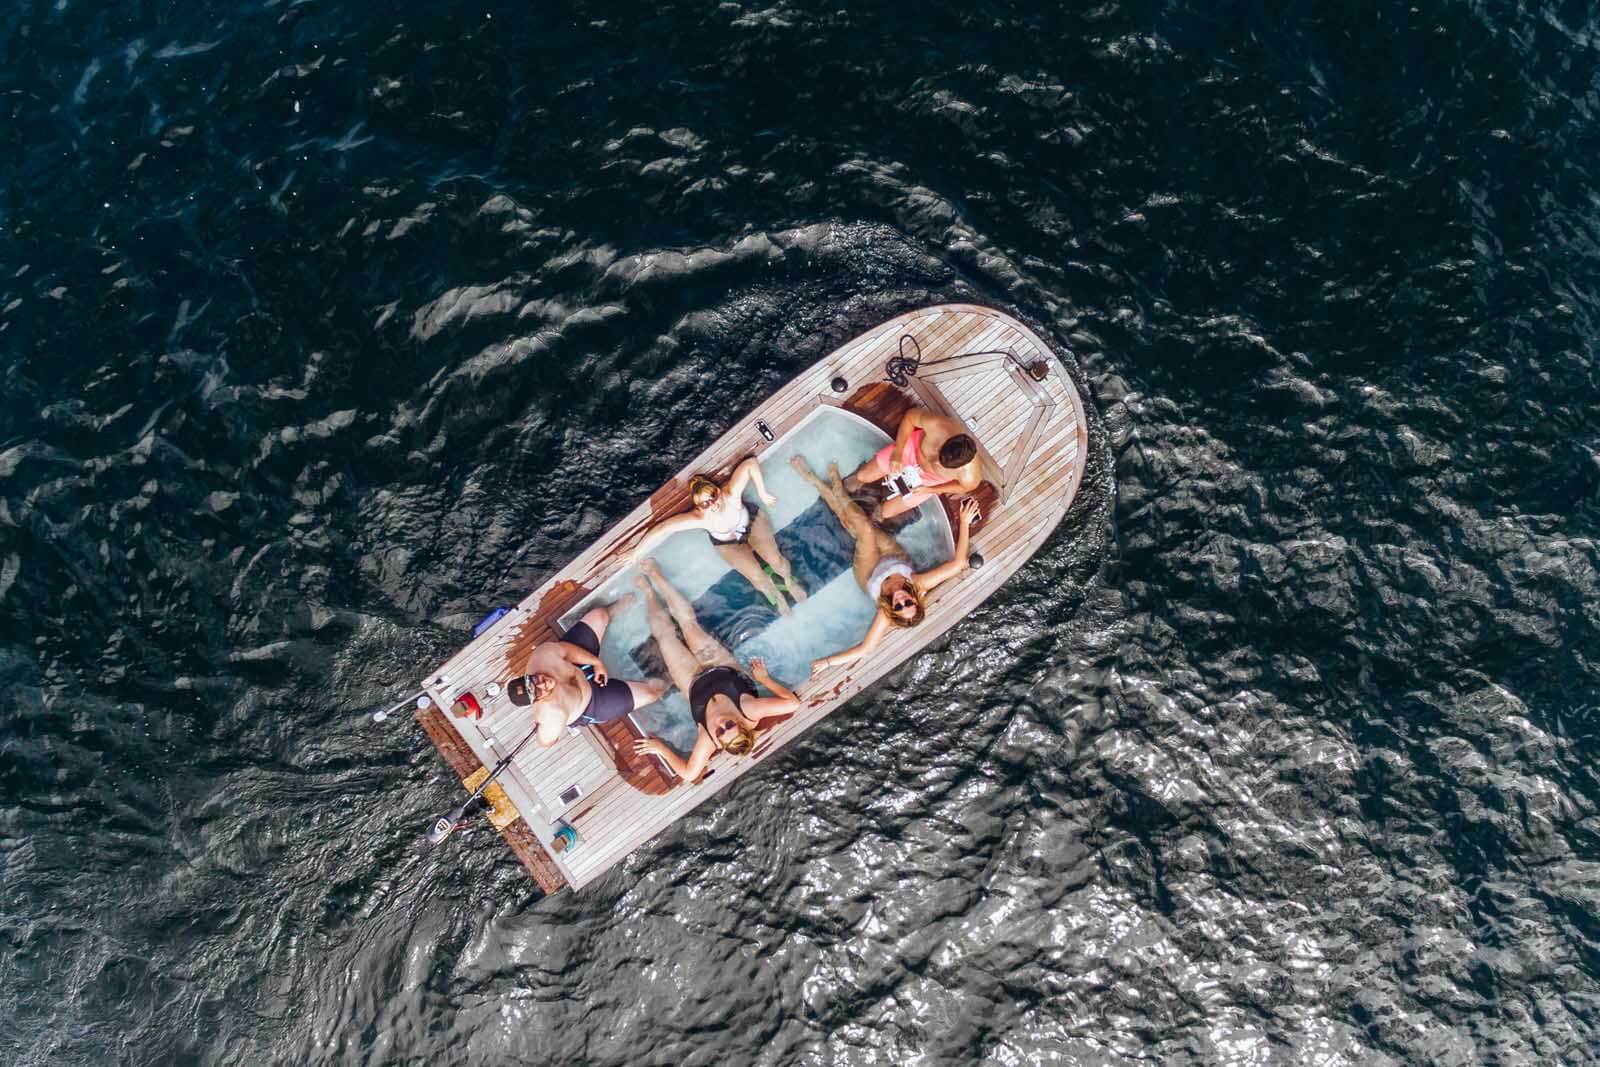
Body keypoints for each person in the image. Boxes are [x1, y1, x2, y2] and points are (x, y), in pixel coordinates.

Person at [790, 456, 978, 673]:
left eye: (899, 607)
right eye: (908, 604)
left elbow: (866, 648)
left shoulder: (885, 613)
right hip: (894, 557)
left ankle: (827, 484)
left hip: (869, 573)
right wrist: (964, 522)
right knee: (857, 525)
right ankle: (828, 487)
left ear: (893, 610)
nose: (901, 602)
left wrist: (828, 663)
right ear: (915, 599)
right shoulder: (918, 584)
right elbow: (956, 565)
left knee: (864, 530)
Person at [629, 559, 801, 783]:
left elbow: (690, 774)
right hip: (722, 667)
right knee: (688, 623)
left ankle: (649, 593)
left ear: (718, 742)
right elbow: (793, 703)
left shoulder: (708, 740)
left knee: (665, 638)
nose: (720, 725)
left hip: (692, 683)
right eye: (729, 725)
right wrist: (764, 679)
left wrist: (660, 749)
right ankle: (656, 574)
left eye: (720, 732)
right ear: (740, 723)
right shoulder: (750, 710)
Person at [625, 457, 805, 614]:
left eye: (712, 497)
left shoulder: (731, 495)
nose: (712, 505)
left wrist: (762, 492)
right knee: (756, 577)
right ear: (699, 507)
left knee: (776, 560)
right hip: (727, 542)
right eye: (705, 504)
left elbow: (750, 464)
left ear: (718, 491)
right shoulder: (699, 519)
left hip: (750, 522)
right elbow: (663, 527)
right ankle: (777, 597)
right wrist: (636, 551)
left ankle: (789, 581)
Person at [506, 597, 667, 746]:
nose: (542, 683)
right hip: (593, 702)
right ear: (537, 701)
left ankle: (629, 602)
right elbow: (545, 743)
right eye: (538, 691)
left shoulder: (541, 658)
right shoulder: (552, 714)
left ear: (529, 675)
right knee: (652, 693)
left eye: (534, 680)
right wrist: (541, 725)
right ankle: (671, 679)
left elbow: (565, 650)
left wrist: (596, 663)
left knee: (599, 615)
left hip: (577, 665)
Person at [844, 407, 982, 520]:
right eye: (938, 454)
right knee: (862, 476)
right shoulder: (937, 425)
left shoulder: (969, 475)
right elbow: (910, 417)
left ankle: (868, 519)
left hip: (927, 482)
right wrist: (898, 452)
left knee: (884, 513)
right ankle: (845, 489)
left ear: (959, 468)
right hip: (911, 452)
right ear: (945, 442)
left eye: (942, 465)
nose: (934, 461)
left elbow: (963, 487)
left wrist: (931, 490)